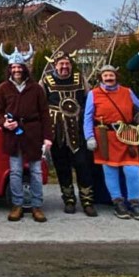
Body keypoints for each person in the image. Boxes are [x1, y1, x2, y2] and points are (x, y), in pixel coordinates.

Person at [0, 44, 51, 223]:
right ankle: (17, 205)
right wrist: (4, 123)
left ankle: (37, 206)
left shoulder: (36, 89)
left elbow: (45, 114)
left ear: (25, 68)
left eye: (19, 67)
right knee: (16, 172)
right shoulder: (3, 88)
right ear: (10, 69)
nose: (17, 70)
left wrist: (47, 138)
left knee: (36, 172)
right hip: (13, 136)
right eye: (13, 67)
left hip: (33, 134)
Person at [85, 65, 139, 220]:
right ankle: (118, 203)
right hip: (105, 137)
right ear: (101, 78)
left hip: (127, 134)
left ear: (116, 76)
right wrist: (89, 137)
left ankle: (134, 204)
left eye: (111, 75)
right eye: (105, 75)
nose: (109, 78)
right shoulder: (93, 94)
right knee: (110, 171)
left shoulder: (127, 92)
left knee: (132, 171)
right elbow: (87, 117)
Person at [41, 51, 97, 217]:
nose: (64, 67)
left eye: (67, 64)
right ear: (55, 65)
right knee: (62, 166)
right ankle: (69, 200)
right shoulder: (45, 81)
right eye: (61, 64)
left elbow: (90, 100)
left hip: (78, 130)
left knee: (83, 165)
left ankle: (87, 201)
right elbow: (40, 105)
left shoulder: (80, 79)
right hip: (57, 131)